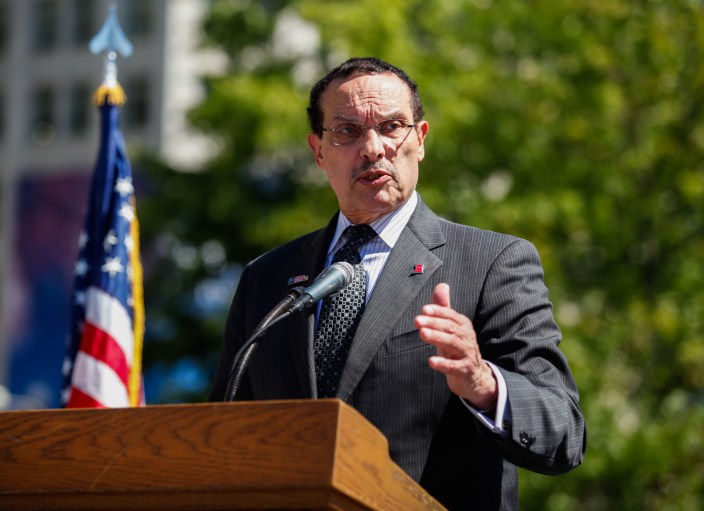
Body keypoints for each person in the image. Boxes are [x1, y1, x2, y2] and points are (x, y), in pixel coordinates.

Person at [209, 57, 586, 511]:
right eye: (347, 131)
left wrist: (482, 381)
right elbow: (224, 436)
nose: (372, 148)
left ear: (420, 140)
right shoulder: (266, 279)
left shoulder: (492, 263)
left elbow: (563, 432)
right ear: (318, 151)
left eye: (391, 127)